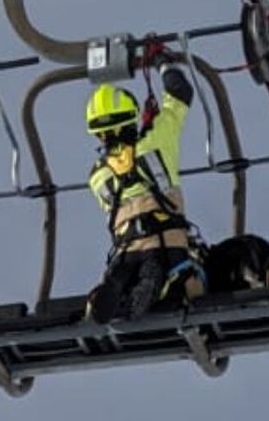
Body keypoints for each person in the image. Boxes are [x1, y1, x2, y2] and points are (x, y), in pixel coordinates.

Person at [83, 47, 207, 323]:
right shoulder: (156, 142)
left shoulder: (97, 176)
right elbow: (180, 93)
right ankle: (159, 287)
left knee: (124, 274)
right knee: (172, 273)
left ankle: (113, 293)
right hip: (165, 246)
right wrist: (163, 63)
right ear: (130, 116)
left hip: (125, 250)